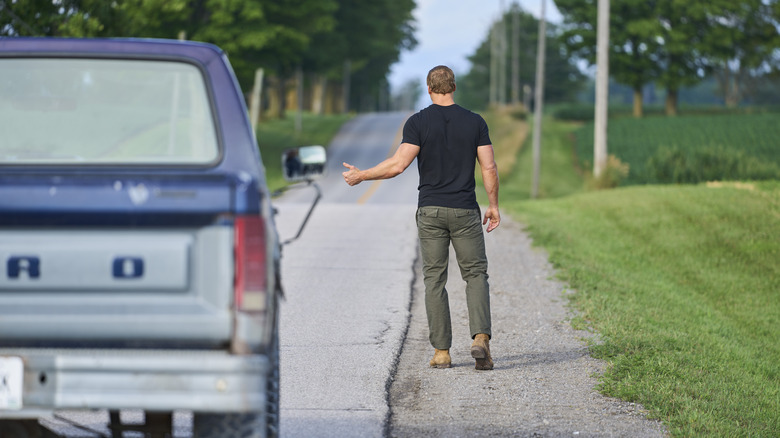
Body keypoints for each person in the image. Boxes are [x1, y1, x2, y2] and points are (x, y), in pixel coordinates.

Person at [342, 65, 500, 370]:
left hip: (430, 212)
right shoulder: (475, 122)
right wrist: (493, 205)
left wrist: (362, 175)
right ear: (454, 87)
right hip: (466, 210)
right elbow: (489, 167)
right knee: (475, 275)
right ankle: (480, 339)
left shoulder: (418, 122)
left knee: (434, 280)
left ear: (429, 89)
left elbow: (398, 164)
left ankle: (442, 352)